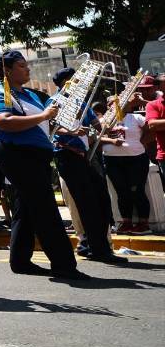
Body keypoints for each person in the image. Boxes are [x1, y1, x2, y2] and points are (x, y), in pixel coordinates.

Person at [0, 50, 87, 280]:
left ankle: (20, 260)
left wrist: (62, 126)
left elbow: (44, 124)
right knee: (45, 207)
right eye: (22, 66)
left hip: (36, 154)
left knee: (26, 207)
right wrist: (43, 116)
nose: (28, 69)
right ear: (7, 70)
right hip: (17, 153)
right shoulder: (0, 93)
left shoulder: (31, 96)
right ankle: (64, 264)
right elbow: (3, 121)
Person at [49, 67, 126, 263]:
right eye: (75, 80)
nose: (81, 84)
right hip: (67, 154)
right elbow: (53, 126)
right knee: (87, 204)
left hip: (86, 156)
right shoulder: (56, 101)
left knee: (101, 200)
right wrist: (73, 132)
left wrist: (109, 131)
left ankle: (93, 245)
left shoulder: (81, 102)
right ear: (65, 82)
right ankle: (97, 249)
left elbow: (96, 125)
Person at [102, 76, 155, 235]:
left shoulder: (136, 118)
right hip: (112, 160)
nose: (112, 105)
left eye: (115, 103)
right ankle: (126, 221)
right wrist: (111, 141)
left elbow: (151, 129)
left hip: (136, 158)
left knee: (136, 190)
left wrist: (143, 141)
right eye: (110, 104)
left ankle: (144, 223)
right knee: (121, 191)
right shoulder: (104, 120)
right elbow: (97, 136)